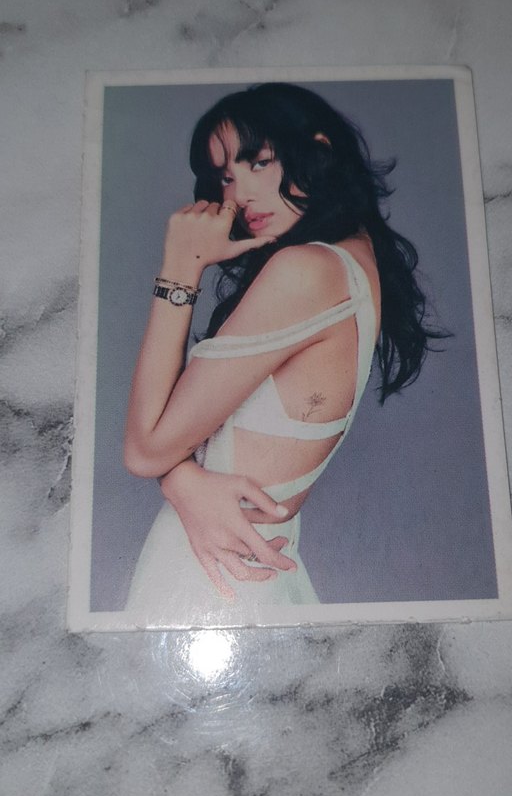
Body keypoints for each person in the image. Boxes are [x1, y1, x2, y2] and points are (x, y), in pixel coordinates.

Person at [123, 83, 439, 625]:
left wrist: (179, 267)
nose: (239, 194)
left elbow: (144, 449)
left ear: (318, 152)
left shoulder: (307, 271)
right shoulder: (351, 261)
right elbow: (167, 445)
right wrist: (185, 480)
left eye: (258, 162)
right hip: (243, 565)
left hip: (211, 573)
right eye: (226, 177)